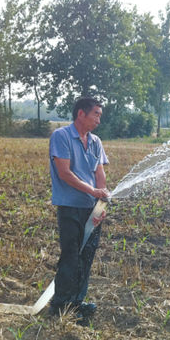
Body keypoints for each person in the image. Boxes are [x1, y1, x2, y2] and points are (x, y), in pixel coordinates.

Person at [48, 97, 110, 322]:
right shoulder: (61, 136)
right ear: (81, 114)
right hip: (70, 207)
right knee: (71, 255)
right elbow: (64, 173)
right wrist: (92, 191)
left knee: (87, 256)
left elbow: (99, 172)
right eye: (96, 114)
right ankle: (60, 305)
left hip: (91, 209)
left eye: (100, 115)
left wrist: (101, 201)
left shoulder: (95, 141)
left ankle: (77, 302)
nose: (98, 120)